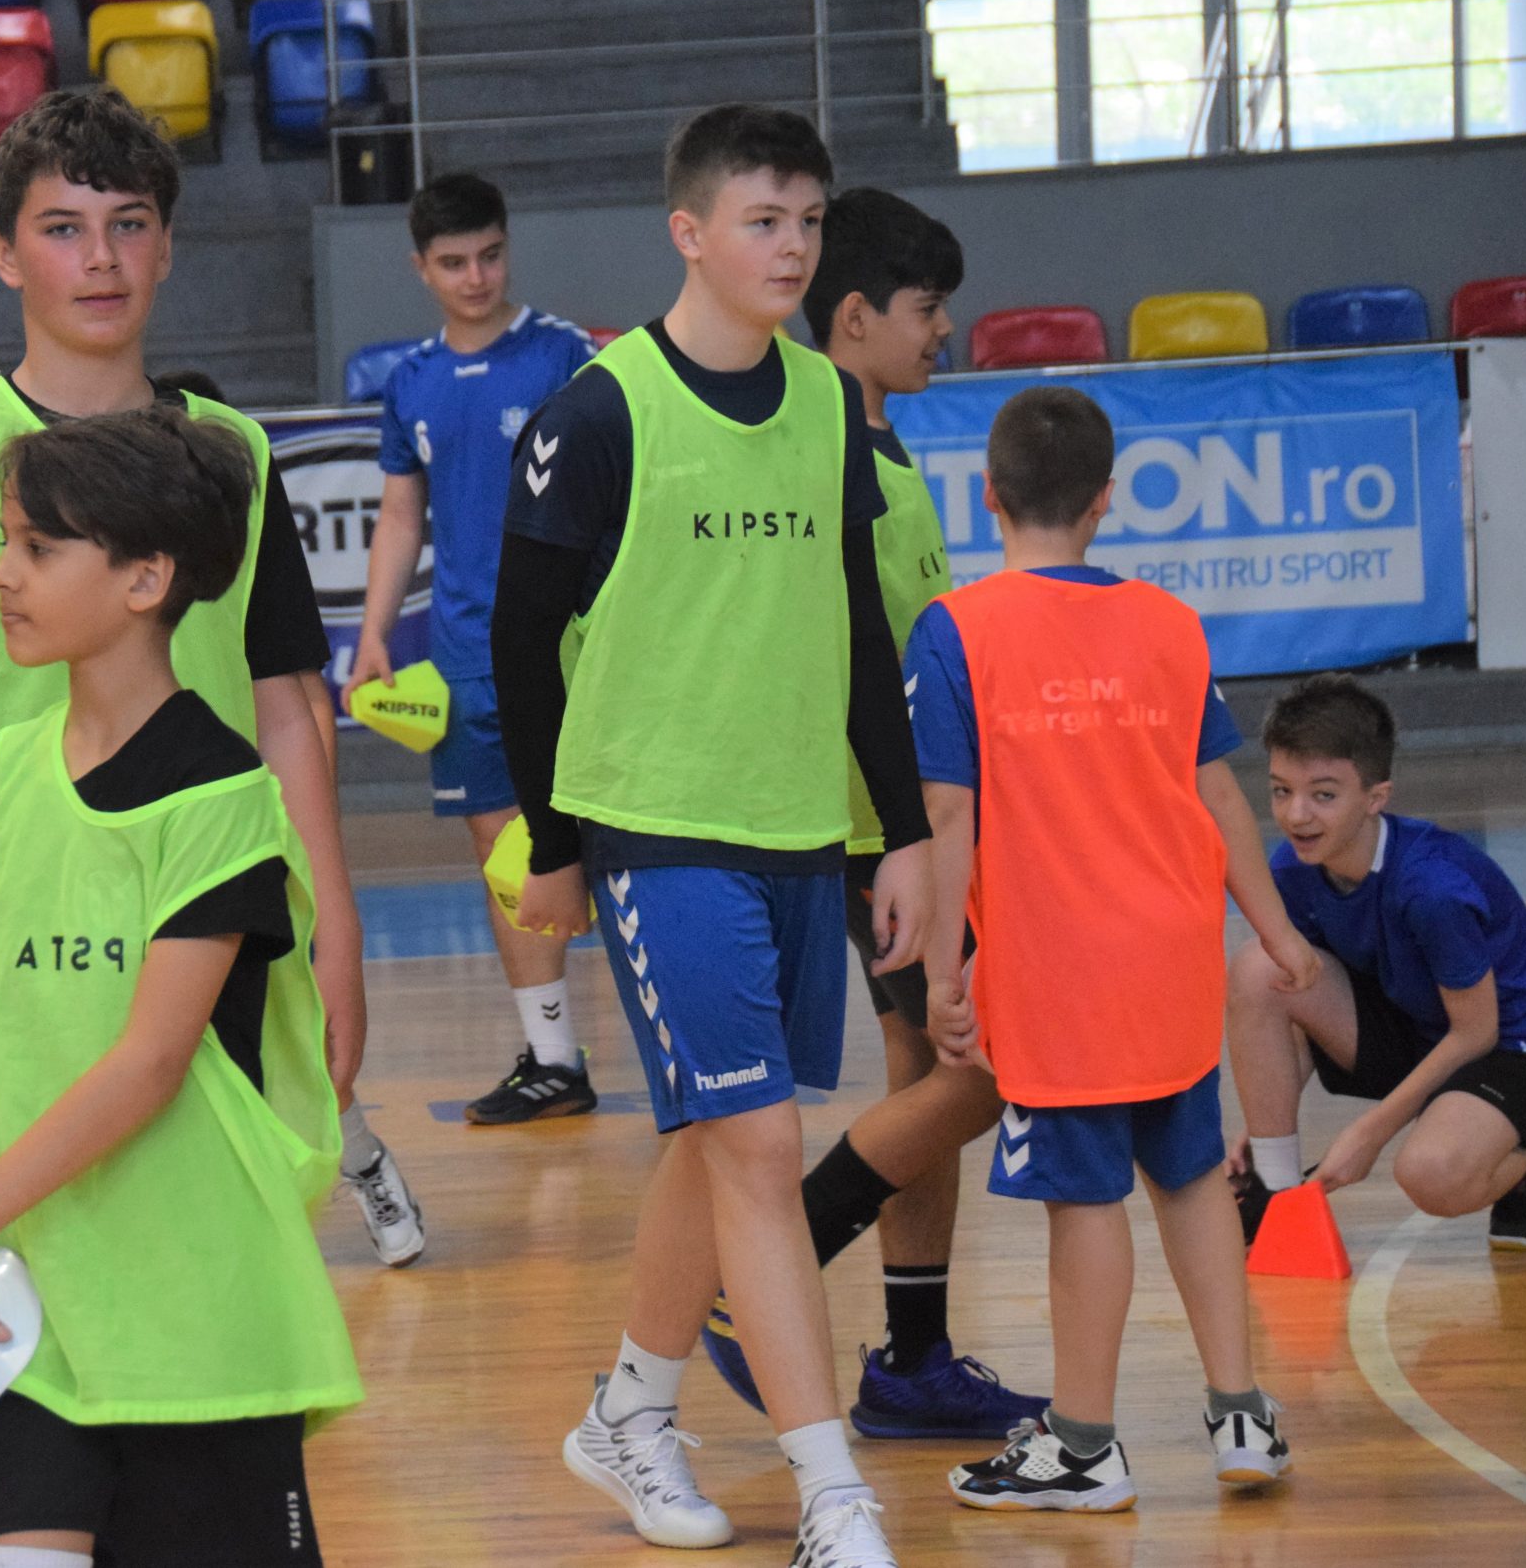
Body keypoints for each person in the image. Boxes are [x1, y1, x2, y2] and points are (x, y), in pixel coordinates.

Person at [0, 87, 419, 1568]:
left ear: (167, 248)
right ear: (5, 253)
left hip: (198, 924)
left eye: (127, 225)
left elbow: (289, 706)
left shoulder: (229, 452)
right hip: (9, 941)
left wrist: (333, 922)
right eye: (62, 228)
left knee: (185, 1262)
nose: (98, 258)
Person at [493, 105, 931, 1565]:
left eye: (807, 222)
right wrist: (554, 839)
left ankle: (628, 1407)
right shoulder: (598, 412)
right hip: (653, 823)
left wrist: (903, 832)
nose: (792, 247)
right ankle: (832, 1496)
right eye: (762, 221)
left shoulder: (826, 406)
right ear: (688, 233)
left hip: (798, 825)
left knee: (713, 1136)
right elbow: (519, 641)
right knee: (757, 1138)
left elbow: (860, 628)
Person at [0, 405, 362, 1567]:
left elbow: (148, 1065)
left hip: (196, 1311)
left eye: (37, 548)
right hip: (29, 1305)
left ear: (144, 580)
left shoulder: (220, 795)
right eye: (4, 543)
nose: (0, 575)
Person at [913, 386, 1310, 1513]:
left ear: (986, 495)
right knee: (1188, 1174)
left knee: (1082, 1200)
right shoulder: (1168, 624)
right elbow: (1216, 792)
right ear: (1105, 500)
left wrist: (941, 971)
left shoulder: (955, 629)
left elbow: (949, 815)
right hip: (1172, 957)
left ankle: (1082, 1446)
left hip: (1058, 975)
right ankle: (1241, 1414)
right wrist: (1275, 929)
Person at [701, 189, 1047, 1438]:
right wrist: (918, 828)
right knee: (996, 1063)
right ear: (853, 317)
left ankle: (911, 1357)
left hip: (891, 826)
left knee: (926, 1072)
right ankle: (776, 1252)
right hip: (880, 830)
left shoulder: (877, 450)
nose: (944, 328)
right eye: (925, 307)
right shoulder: (827, 457)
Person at [343, 172, 602, 1124]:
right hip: (466, 654)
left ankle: (681, 1047)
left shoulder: (566, 355)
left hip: (574, 646)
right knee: (502, 853)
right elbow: (400, 515)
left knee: (617, 839)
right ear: (422, 267)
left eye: (490, 255)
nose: (476, 276)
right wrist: (374, 633)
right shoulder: (409, 381)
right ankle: (554, 1058)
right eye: (454, 262)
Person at [1227, 674, 1526, 1249]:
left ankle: (1524, 1174)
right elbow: (1297, 1013)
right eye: (1280, 790)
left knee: (1431, 1174)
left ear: (1376, 798)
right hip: (1417, 1026)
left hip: (1507, 1044)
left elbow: (1476, 1032)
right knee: (1259, 968)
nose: (1296, 814)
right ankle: (1273, 1189)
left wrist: (1370, 1132)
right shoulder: (1292, 870)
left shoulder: (1431, 888)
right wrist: (1266, 1126)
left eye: (1324, 795)